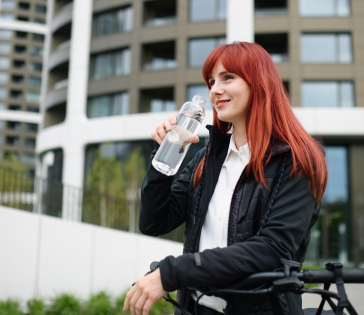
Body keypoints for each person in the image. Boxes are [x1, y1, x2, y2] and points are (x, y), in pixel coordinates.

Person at [124, 42, 328, 315]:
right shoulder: (205, 161)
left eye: (227, 77)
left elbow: (271, 249)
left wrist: (172, 272)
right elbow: (154, 222)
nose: (214, 90)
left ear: (259, 82)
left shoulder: (297, 160)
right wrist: (162, 159)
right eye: (211, 82)